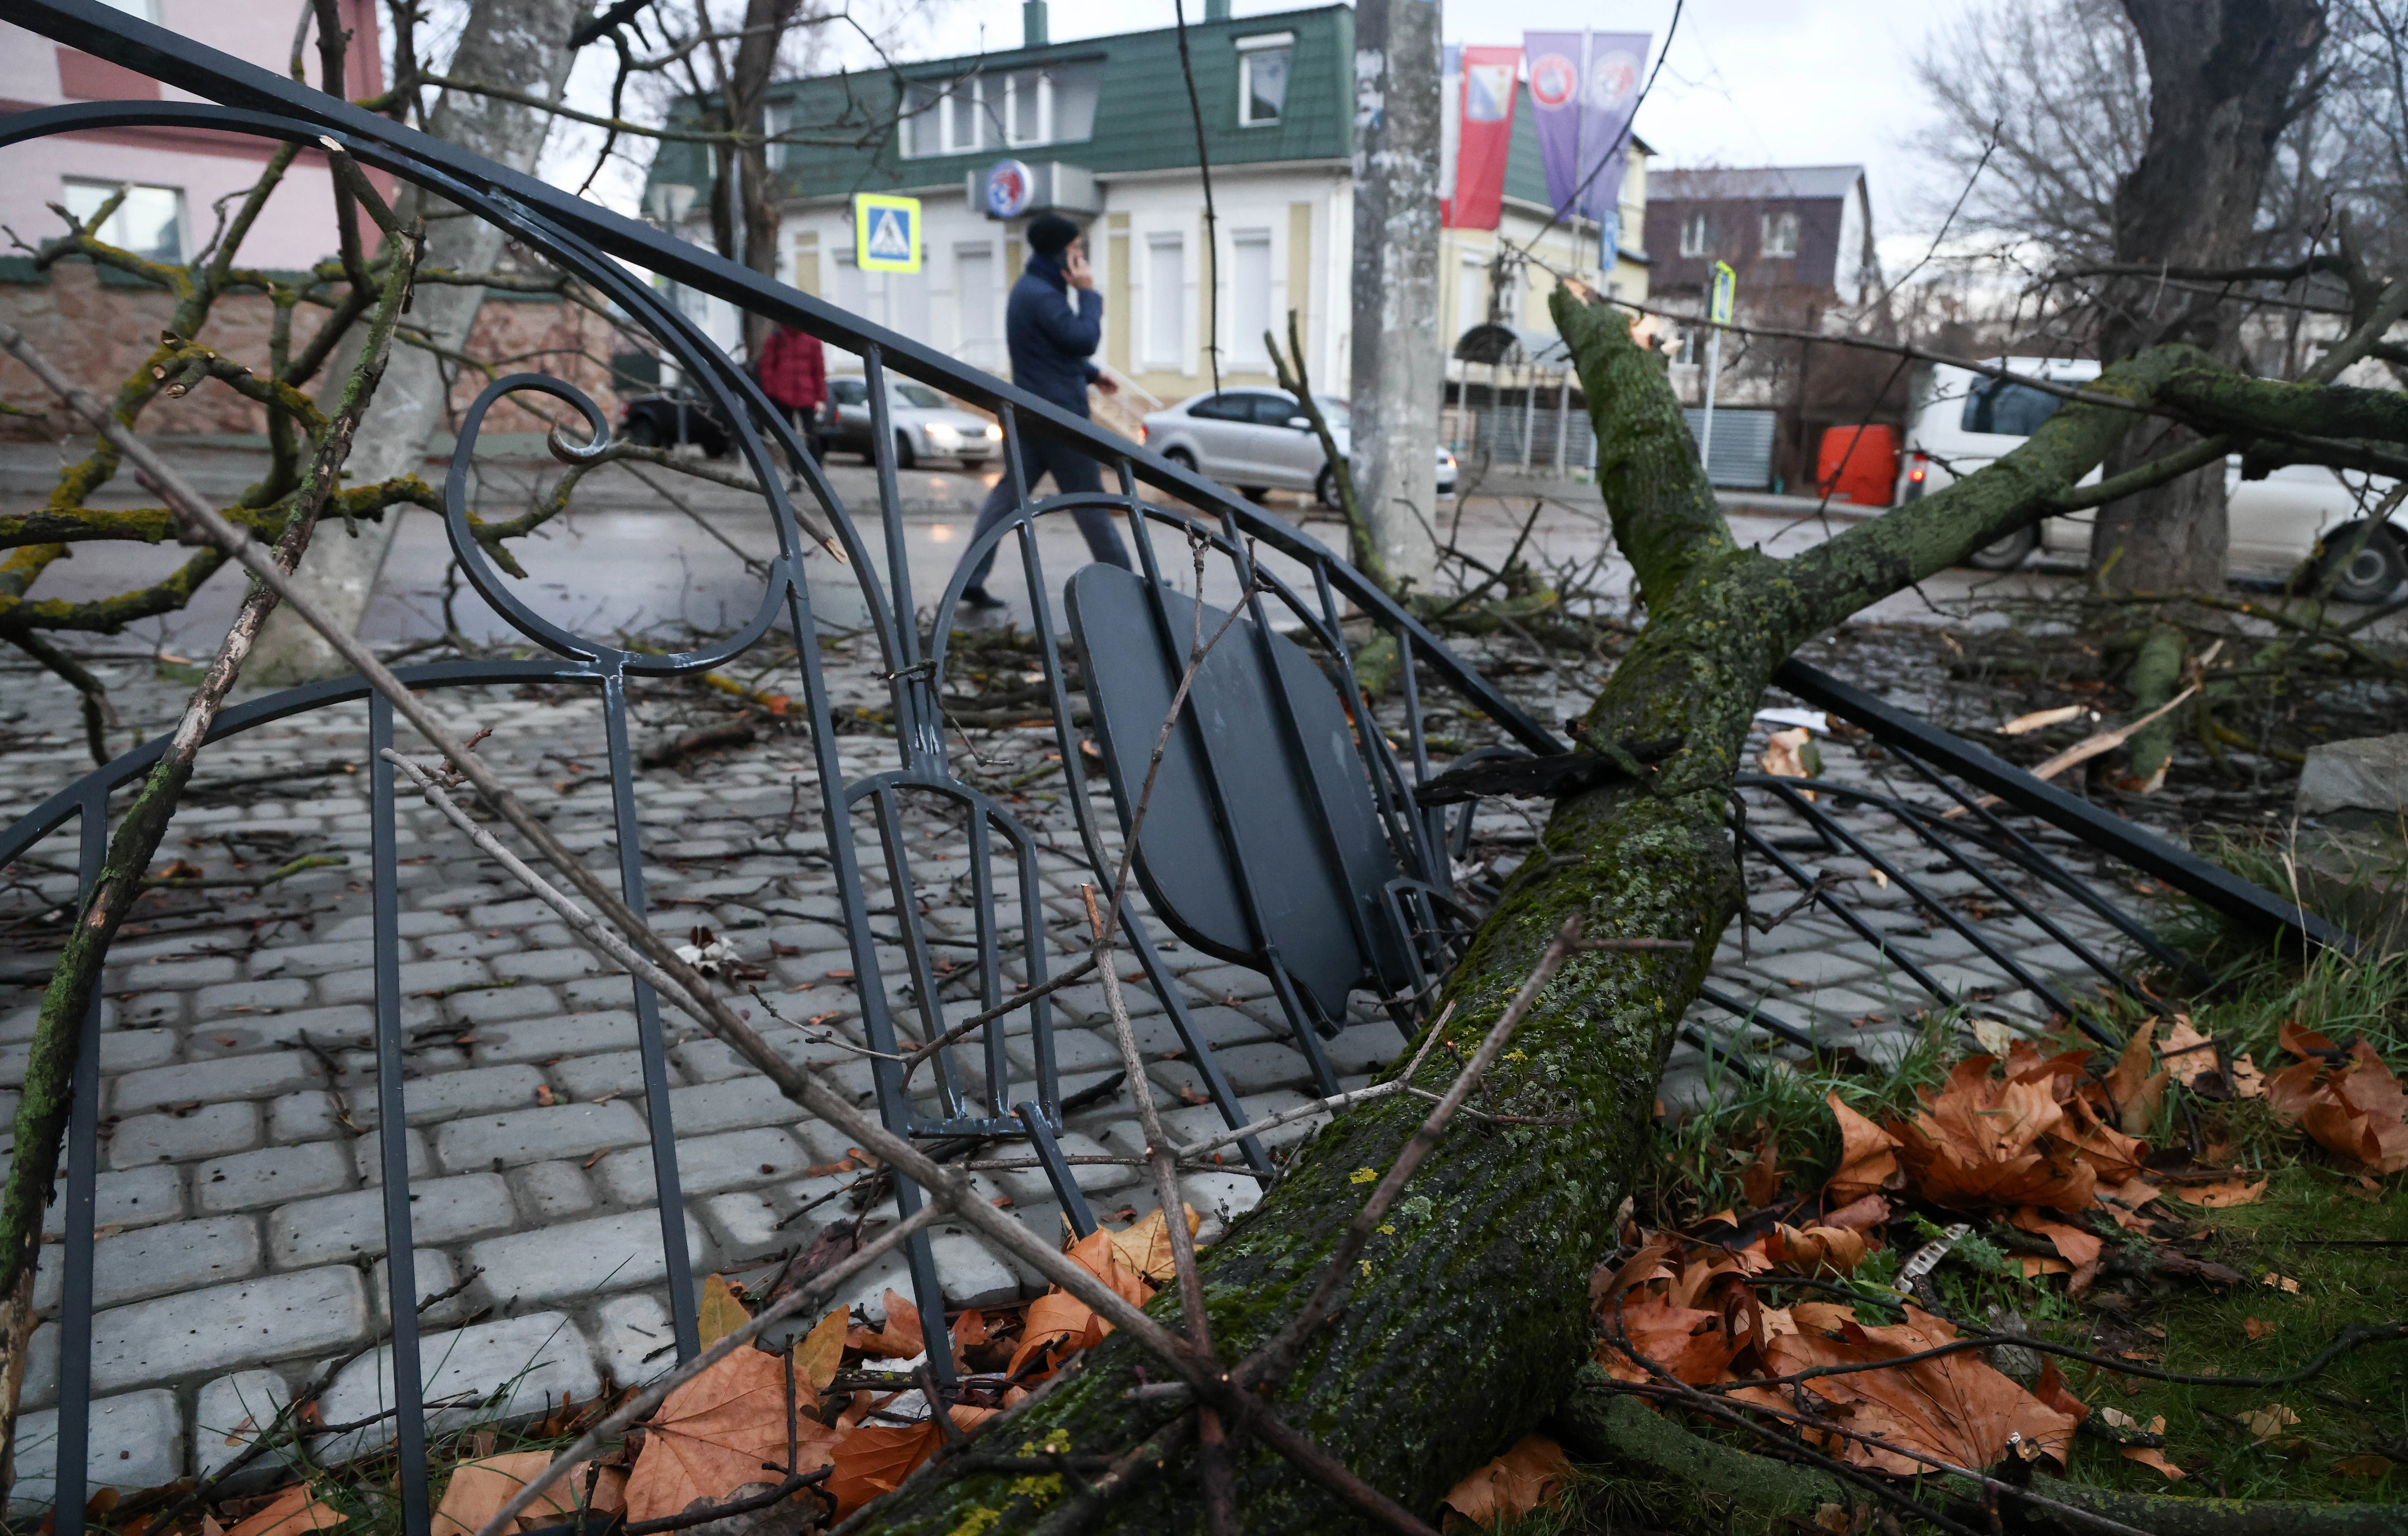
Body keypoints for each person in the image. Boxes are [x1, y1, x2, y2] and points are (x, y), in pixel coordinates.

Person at [953, 211, 1132, 611]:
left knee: (1005, 499)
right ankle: (1129, 582)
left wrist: (1091, 375)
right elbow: (1082, 338)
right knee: (1090, 500)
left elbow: (1050, 352)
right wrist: (1089, 293)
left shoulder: (1031, 290)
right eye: (1075, 249)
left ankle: (970, 577)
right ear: (1060, 254)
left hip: (1033, 411)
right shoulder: (1044, 295)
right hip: (1058, 418)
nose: (1081, 256)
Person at [755, 320, 827, 459]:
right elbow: (767, 368)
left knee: (811, 435)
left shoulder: (812, 341)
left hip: (807, 396)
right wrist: (771, 393)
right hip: (782, 396)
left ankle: (817, 470)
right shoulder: (776, 339)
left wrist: (820, 398)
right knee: (789, 437)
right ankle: (795, 472)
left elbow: (819, 371)